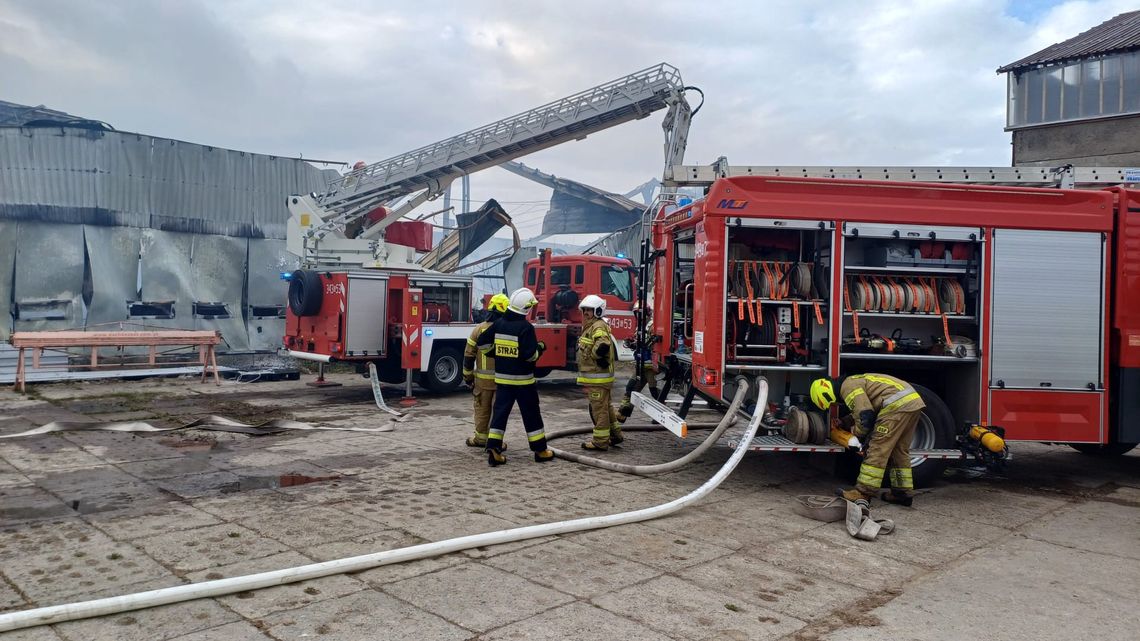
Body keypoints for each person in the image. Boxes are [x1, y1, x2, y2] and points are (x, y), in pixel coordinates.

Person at [810, 373, 925, 506]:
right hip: (912, 402)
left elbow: (865, 417)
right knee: (899, 450)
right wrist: (843, 422)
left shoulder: (847, 387)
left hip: (896, 406)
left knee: (877, 448)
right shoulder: (853, 381)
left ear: (826, 394)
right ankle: (902, 493)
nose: (835, 403)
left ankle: (863, 493)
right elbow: (865, 408)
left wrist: (857, 436)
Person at [476, 287, 555, 466]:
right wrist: (540, 348)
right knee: (531, 414)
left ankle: (494, 450)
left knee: (500, 414)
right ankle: (540, 450)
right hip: (524, 382)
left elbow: (482, 343)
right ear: (525, 309)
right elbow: (530, 356)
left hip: (503, 381)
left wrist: (495, 352)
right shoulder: (525, 328)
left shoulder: (499, 323)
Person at [462, 293, 510, 448]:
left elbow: (469, 356)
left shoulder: (479, 329)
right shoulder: (508, 330)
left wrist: (468, 378)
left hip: (482, 383)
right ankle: (496, 442)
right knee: (499, 413)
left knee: (482, 411)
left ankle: (480, 439)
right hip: (502, 382)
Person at [577, 295, 621, 450]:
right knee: (606, 408)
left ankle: (600, 442)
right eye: (585, 310)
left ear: (598, 310)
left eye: (589, 310)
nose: (586, 313)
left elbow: (602, 344)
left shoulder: (597, 326)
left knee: (599, 410)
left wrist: (596, 356)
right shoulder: (591, 326)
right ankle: (616, 435)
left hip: (598, 379)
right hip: (598, 379)